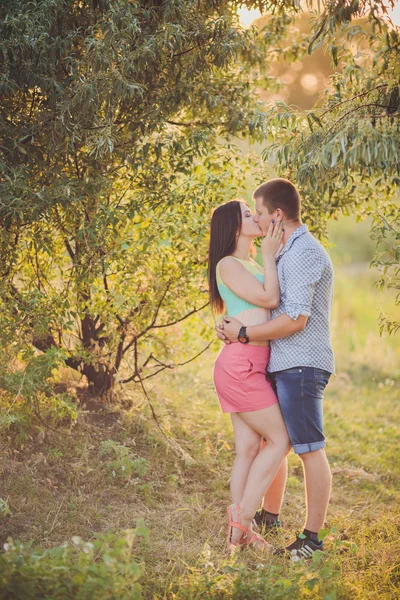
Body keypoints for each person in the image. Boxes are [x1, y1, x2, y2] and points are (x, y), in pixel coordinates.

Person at [217, 178, 335, 561]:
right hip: (263, 363)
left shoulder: (296, 253)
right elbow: (257, 300)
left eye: (261, 213)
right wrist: (235, 329)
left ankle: (301, 536)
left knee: (300, 447)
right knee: (270, 444)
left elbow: (290, 315)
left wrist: (244, 331)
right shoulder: (270, 254)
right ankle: (254, 522)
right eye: (250, 215)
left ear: (277, 216)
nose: (258, 219)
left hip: (296, 362)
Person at [208, 199, 291, 553]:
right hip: (240, 366)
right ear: (233, 227)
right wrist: (271, 254)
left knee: (247, 448)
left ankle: (238, 536)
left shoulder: (250, 262)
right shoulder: (228, 263)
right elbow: (269, 298)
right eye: (247, 214)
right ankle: (242, 522)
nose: (255, 217)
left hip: (251, 363)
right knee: (282, 438)